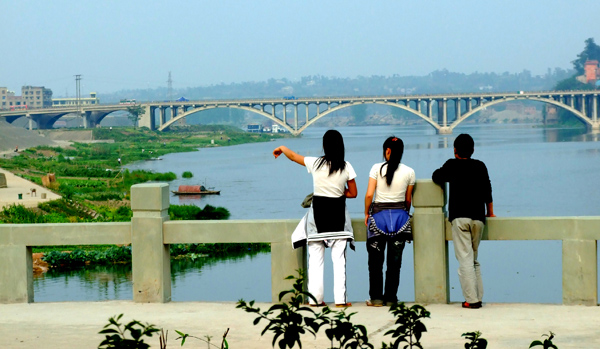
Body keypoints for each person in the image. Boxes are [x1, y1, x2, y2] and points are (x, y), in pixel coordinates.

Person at [273, 129, 357, 307]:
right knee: (339, 262)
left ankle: (315, 301)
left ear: (324, 146)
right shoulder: (346, 166)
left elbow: (294, 157)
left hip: (317, 219)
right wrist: (340, 191)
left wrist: (282, 147)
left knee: (316, 262)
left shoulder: (316, 163)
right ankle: (341, 301)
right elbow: (354, 193)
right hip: (338, 219)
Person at [432, 133, 495, 309]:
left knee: (465, 260)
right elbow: (487, 189)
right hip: (478, 218)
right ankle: (478, 296)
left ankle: (472, 300)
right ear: (473, 150)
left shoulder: (452, 165)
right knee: (473, 259)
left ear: (455, 150)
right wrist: (490, 211)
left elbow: (436, 176)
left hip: (460, 218)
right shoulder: (480, 166)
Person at [364, 136, 415, 307]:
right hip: (400, 220)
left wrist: (366, 213)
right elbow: (408, 201)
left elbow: (370, 195)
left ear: (387, 151)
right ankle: (391, 298)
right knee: (395, 264)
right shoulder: (409, 172)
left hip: (378, 219)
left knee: (375, 263)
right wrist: (404, 213)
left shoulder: (376, 168)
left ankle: (376, 298)